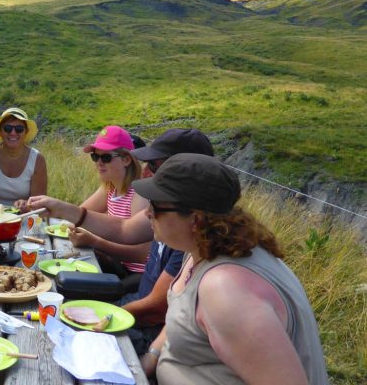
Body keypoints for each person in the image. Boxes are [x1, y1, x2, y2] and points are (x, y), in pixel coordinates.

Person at [135, 154, 329, 384]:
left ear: (195, 219)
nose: (147, 212)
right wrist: (153, 355)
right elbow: (183, 316)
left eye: (156, 205)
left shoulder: (226, 290)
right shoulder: (205, 248)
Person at [114, 129, 215, 355]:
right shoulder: (186, 233)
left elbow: (159, 310)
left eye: (155, 166)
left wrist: (109, 318)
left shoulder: (221, 274)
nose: (148, 213)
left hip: (147, 327)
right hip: (146, 319)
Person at [35, 125, 150, 281]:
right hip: (116, 264)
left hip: (135, 273)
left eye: (106, 157)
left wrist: (96, 242)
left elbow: (139, 252)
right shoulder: (110, 187)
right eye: (95, 157)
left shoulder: (138, 192)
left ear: (126, 159)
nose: (99, 163)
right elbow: (80, 214)